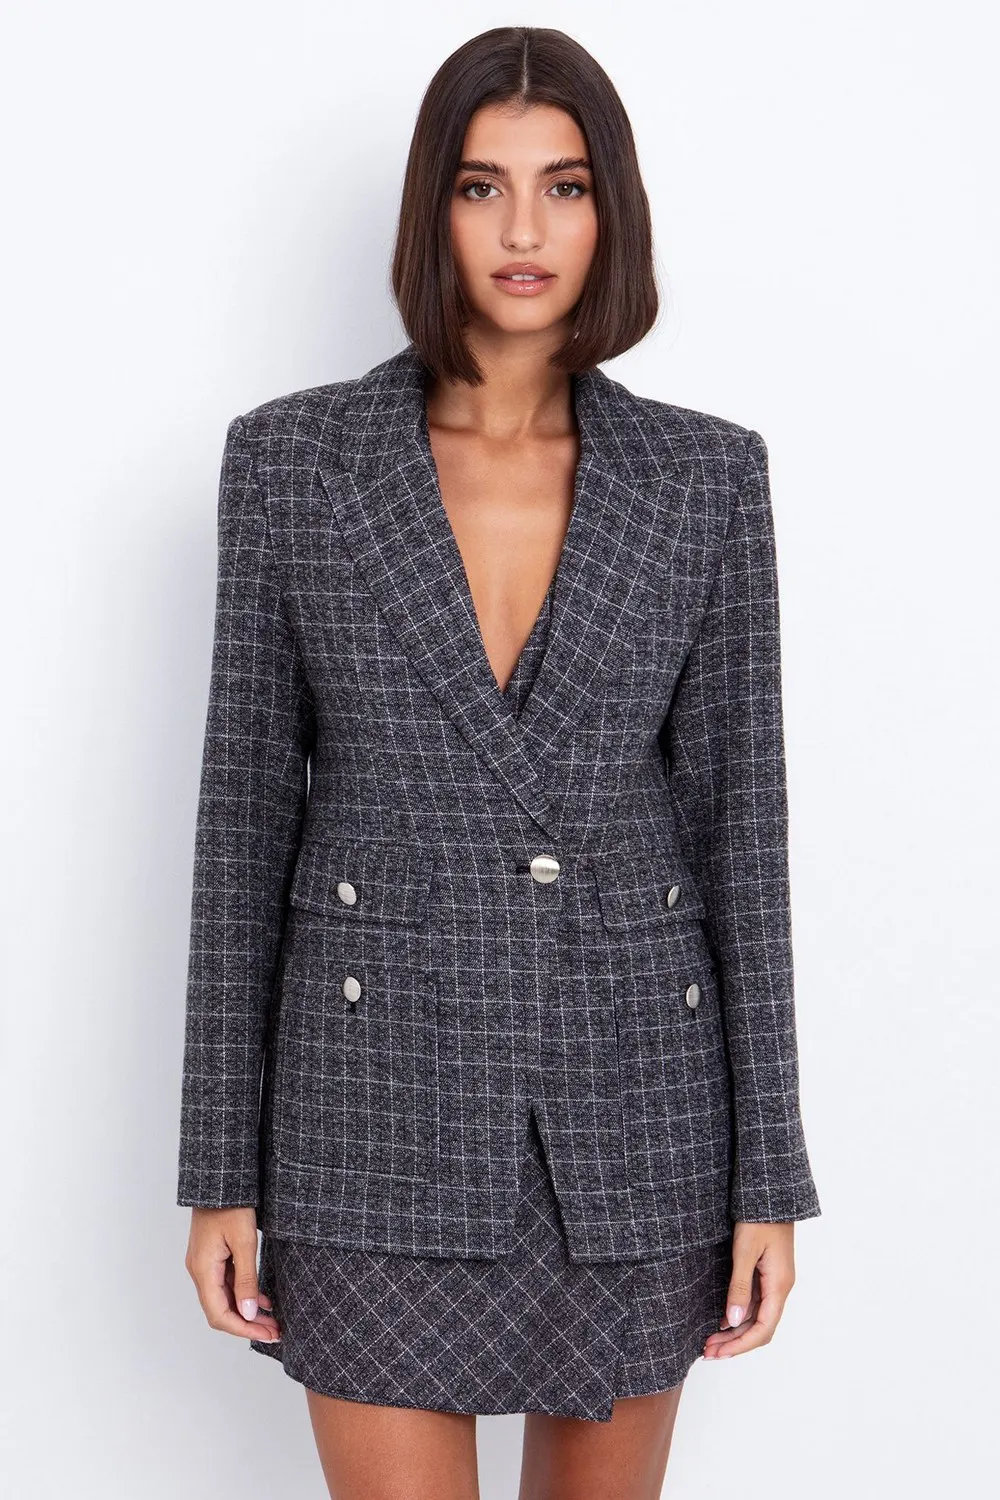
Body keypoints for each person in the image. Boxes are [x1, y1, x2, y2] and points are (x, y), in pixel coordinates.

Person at [178, 24, 822, 1499]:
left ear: (612, 211)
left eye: (564, 186)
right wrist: (218, 1166)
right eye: (483, 186)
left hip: (634, 1121)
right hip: (369, 1114)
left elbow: (744, 833)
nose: (524, 230)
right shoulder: (293, 463)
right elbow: (243, 827)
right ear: (434, 208)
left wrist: (768, 1176)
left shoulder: (707, 478)